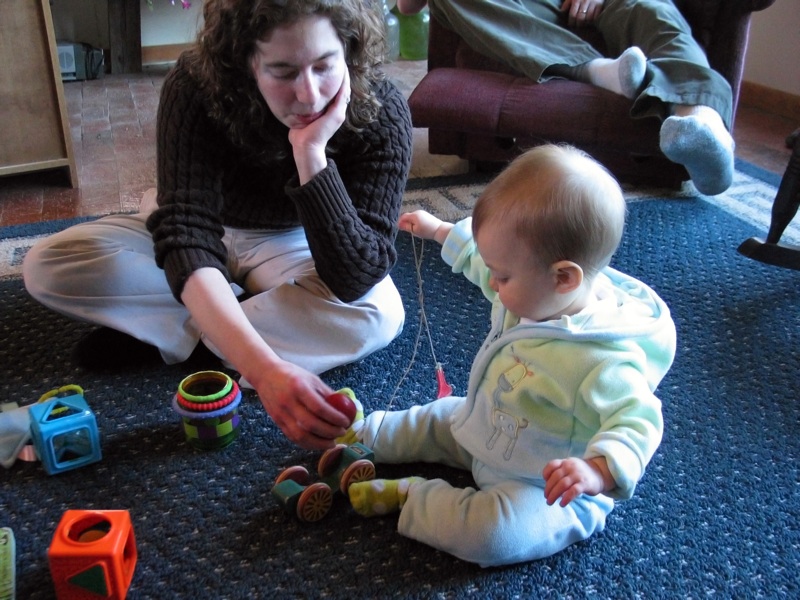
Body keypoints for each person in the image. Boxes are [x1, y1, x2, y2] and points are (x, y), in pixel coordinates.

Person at [22, 0, 413, 450]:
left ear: (349, 51)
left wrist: (312, 157)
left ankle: (187, 335)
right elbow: (185, 230)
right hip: (208, 222)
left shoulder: (382, 110)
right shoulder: (195, 85)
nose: (309, 94)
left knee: (379, 314)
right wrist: (265, 372)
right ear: (247, 61)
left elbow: (356, 274)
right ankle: (241, 322)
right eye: (283, 73)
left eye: (325, 66)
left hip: (297, 237)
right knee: (49, 265)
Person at [341, 144, 677, 566]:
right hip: (486, 424)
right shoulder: (536, 290)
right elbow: (483, 264)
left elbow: (638, 421)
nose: (493, 284)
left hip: (543, 484)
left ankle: (414, 497)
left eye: (503, 276)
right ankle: (364, 434)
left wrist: (597, 471)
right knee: (437, 418)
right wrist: (441, 231)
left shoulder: (605, 358)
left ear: (564, 278)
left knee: (495, 536)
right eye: (495, 271)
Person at [397, 0, 735, 196]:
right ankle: (601, 71)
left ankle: (701, 123)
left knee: (653, 10)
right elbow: (406, 6)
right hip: (530, 8)